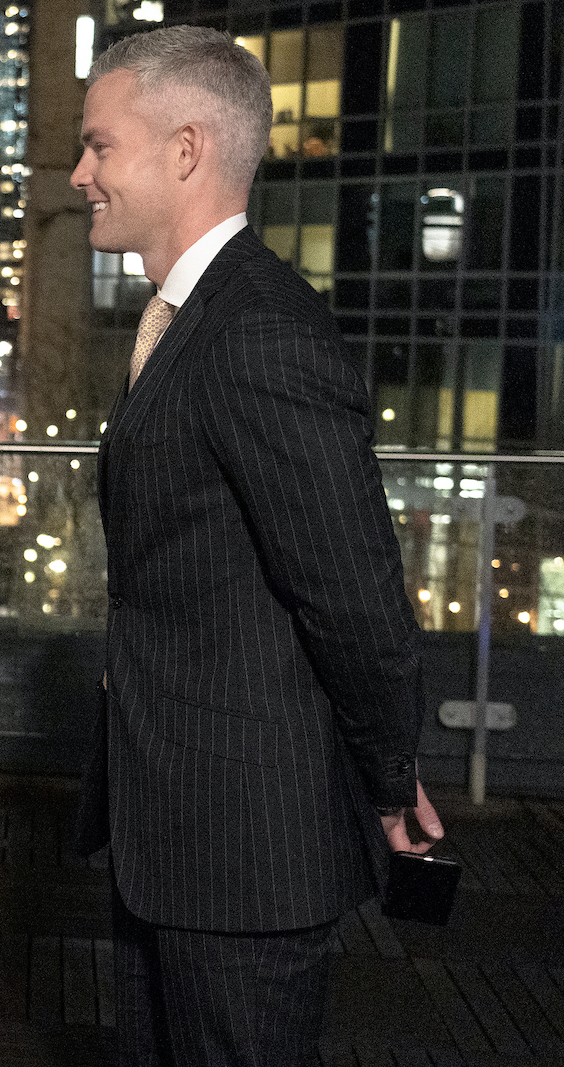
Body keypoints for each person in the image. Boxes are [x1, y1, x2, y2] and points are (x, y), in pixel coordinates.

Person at [70, 26, 444, 1065]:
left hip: (245, 840)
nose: (78, 173)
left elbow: (353, 590)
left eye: (99, 145)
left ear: (184, 149)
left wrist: (387, 771)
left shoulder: (258, 329)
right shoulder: (192, 317)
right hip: (171, 821)